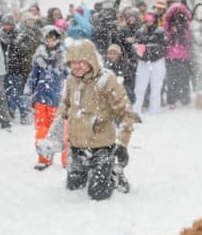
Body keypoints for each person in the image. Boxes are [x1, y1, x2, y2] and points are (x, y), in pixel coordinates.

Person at [41, 40, 134, 200]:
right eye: (73, 62)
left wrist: (122, 144)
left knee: (98, 194)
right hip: (77, 145)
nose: (76, 66)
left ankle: (114, 173)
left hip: (102, 146)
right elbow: (63, 108)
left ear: (91, 60)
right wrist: (54, 137)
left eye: (81, 62)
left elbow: (126, 112)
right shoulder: (71, 81)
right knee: (73, 187)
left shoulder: (106, 80)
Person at [25, 26, 69, 170]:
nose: (51, 41)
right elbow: (33, 75)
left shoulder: (63, 56)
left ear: (58, 40)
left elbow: (70, 76)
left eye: (54, 38)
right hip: (41, 98)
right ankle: (44, 158)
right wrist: (29, 90)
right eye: (48, 38)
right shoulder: (39, 56)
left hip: (58, 100)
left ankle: (67, 161)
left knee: (61, 132)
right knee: (42, 131)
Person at [133, 11, 167, 117]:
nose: (148, 22)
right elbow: (135, 44)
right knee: (139, 88)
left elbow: (164, 47)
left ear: (154, 20)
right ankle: (136, 110)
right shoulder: (140, 32)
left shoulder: (160, 32)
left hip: (157, 62)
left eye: (151, 20)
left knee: (156, 88)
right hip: (143, 62)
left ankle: (154, 111)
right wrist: (138, 49)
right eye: (146, 20)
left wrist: (149, 49)